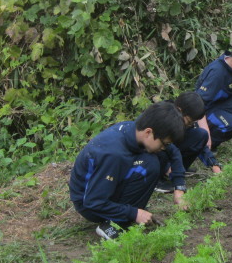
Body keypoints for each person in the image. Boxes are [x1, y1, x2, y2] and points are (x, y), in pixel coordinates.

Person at [69, 101, 187, 240]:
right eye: (164, 143)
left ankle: (123, 215)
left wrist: (179, 188)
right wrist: (134, 213)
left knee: (153, 160)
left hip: (101, 190)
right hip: (89, 205)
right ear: (149, 132)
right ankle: (114, 224)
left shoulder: (136, 129)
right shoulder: (114, 154)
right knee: (149, 164)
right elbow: (93, 202)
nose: (164, 147)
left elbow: (173, 152)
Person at [154, 92, 222, 193]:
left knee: (201, 135)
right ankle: (158, 180)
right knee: (161, 146)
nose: (190, 124)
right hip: (155, 152)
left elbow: (202, 146)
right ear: (180, 110)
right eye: (189, 121)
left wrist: (214, 164)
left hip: (172, 151)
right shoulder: (163, 115)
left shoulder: (184, 120)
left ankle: (178, 170)